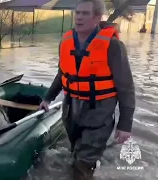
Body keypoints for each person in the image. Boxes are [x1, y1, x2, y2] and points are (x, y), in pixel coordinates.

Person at [39, 0, 135, 180]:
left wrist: (125, 125)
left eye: (85, 14)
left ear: (98, 17)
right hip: (71, 110)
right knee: (75, 153)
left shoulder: (113, 46)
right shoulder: (66, 41)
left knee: (83, 163)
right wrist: (48, 98)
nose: (79, 17)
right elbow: (62, 74)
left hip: (99, 112)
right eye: (78, 13)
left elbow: (126, 88)